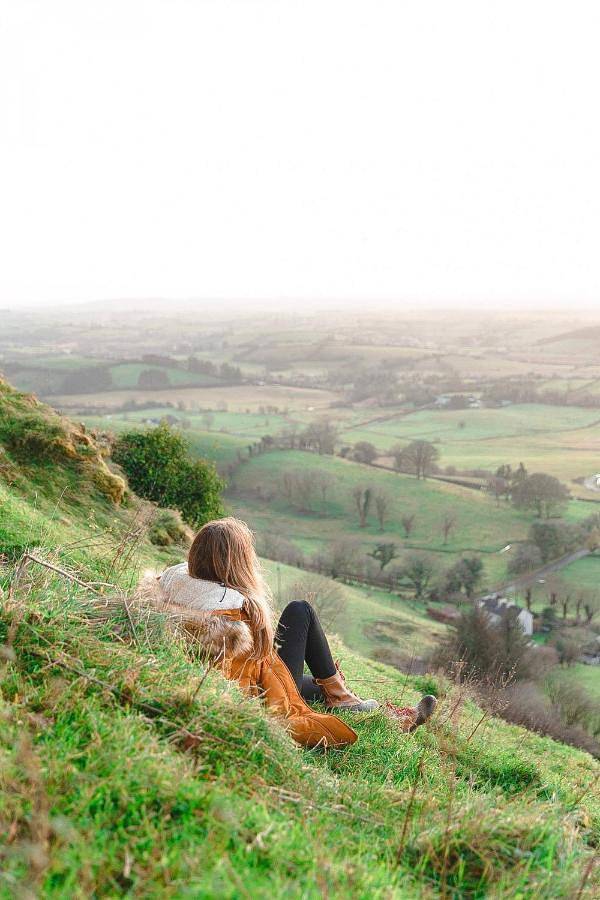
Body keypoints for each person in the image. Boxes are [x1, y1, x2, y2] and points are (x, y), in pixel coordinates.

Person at [147, 517, 435, 747]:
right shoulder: (235, 608)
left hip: (218, 679)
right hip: (251, 692)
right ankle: (343, 696)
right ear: (239, 563)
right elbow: (259, 662)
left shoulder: (175, 582)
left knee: (316, 684)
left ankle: (373, 708)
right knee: (300, 611)